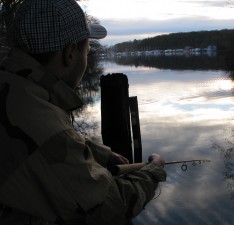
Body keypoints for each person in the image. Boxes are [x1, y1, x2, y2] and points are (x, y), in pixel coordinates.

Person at [0, 0, 167, 224]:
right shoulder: (40, 119)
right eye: (87, 50)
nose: (86, 60)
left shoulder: (16, 89)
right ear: (70, 54)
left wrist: (101, 153)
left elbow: (45, 143)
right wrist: (153, 171)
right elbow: (107, 207)